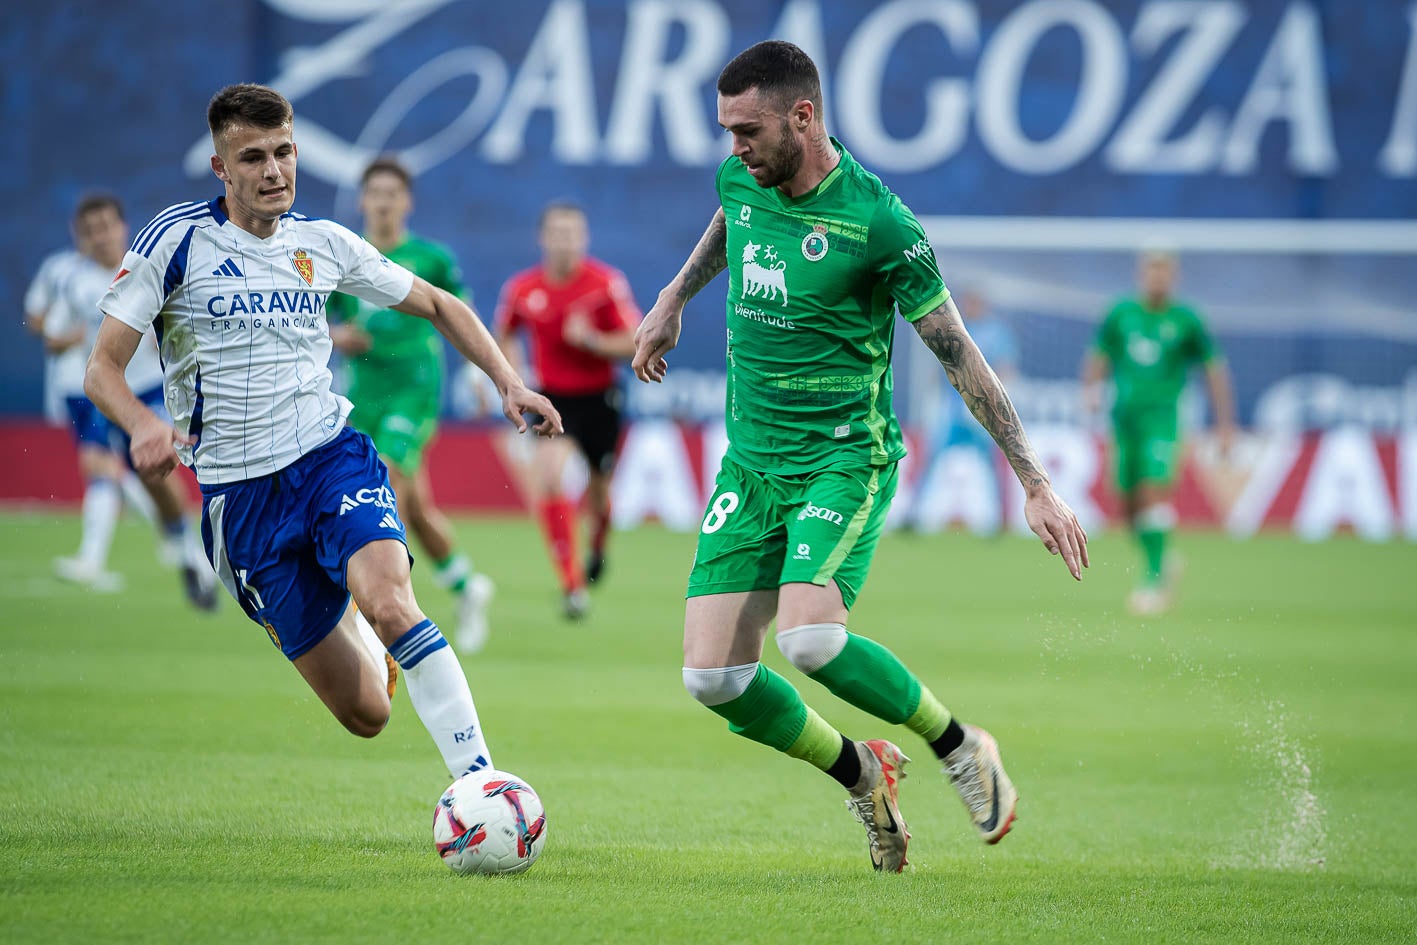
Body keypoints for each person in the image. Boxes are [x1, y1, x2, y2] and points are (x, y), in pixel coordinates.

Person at [631, 41, 1088, 873]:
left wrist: (1035, 483)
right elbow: (727, 223)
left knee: (808, 640)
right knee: (714, 680)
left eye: (747, 128)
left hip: (844, 458)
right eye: (726, 130)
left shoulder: (879, 222)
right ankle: (861, 770)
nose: (733, 147)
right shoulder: (743, 176)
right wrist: (670, 300)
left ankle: (958, 746)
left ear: (802, 117)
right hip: (751, 463)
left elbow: (960, 356)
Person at [85, 84, 561, 784]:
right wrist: (143, 421)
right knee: (367, 712)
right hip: (239, 501)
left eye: (283, 152)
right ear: (221, 168)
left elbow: (436, 302)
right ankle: (370, 640)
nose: (273, 171)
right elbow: (102, 368)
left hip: (329, 457)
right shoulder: (175, 242)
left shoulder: (325, 243)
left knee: (393, 599)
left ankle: (481, 782)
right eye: (252, 158)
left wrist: (508, 382)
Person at [328, 158, 495, 653]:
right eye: (374, 192)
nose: (383, 200)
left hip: (416, 389)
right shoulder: (345, 256)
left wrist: (474, 373)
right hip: (363, 394)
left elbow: (458, 314)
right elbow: (319, 321)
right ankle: (468, 587)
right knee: (417, 510)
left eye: (392, 192)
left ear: (406, 201)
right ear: (362, 200)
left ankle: (380, 613)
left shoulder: (430, 258)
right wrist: (339, 336)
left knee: (385, 486)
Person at [26, 194, 218, 609]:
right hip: (99, 392)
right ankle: (92, 560)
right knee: (99, 465)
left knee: (155, 477)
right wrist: (66, 340)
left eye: (106, 227)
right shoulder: (69, 278)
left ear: (122, 226)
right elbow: (48, 332)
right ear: (80, 237)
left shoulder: (150, 265)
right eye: (90, 230)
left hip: (150, 390)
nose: (100, 237)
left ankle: (185, 548)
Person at [495, 202, 640, 620]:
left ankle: (598, 544)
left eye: (572, 234)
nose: (565, 242)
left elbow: (634, 340)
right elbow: (503, 334)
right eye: (557, 234)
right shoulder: (523, 289)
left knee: (598, 492)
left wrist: (592, 340)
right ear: (542, 238)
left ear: (584, 238)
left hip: (599, 399)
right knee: (551, 477)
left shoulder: (605, 283)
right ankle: (572, 586)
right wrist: (514, 381)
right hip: (552, 398)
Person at [1082, 248, 1236, 616]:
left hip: (1163, 422)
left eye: (1164, 270)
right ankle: (1163, 557)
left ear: (1174, 276)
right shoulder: (1121, 313)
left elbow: (1214, 370)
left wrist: (1225, 425)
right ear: (1141, 273)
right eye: (1152, 269)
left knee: (1154, 493)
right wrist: (1090, 390)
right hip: (1124, 421)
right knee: (1126, 504)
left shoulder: (1186, 320)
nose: (1158, 276)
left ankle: (1153, 583)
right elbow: (1099, 354)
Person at [917, 288, 1021, 534]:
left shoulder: (997, 333)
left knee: (992, 461)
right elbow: (939, 368)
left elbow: (1005, 369)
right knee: (932, 457)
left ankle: (999, 517)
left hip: (982, 412)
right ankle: (916, 514)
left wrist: (997, 404)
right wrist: (934, 400)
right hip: (953, 409)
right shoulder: (954, 329)